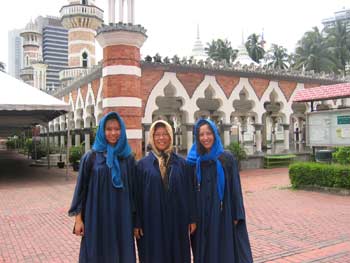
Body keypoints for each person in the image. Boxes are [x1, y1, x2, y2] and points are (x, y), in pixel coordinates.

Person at [68, 112, 136, 263]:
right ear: (102, 131)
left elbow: (134, 193)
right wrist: (79, 220)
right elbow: (81, 191)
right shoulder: (91, 157)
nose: (113, 133)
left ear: (122, 130)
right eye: (109, 129)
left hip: (122, 217)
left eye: (117, 129)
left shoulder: (128, 158)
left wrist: (136, 221)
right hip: (96, 217)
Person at [187, 118, 253, 263]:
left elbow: (235, 188)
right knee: (204, 248)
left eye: (208, 133)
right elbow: (190, 191)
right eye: (201, 135)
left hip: (223, 212)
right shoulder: (194, 161)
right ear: (197, 138)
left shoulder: (226, 158)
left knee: (223, 248)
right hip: (201, 213)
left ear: (215, 134)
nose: (205, 138)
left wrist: (237, 214)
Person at [134, 120, 196, 263]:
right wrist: (137, 222)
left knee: (177, 253)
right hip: (151, 221)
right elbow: (136, 195)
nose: (161, 138)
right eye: (157, 135)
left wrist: (192, 218)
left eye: (165, 134)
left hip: (177, 219)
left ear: (170, 136)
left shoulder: (182, 164)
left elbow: (190, 192)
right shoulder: (142, 165)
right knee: (154, 254)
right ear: (152, 137)